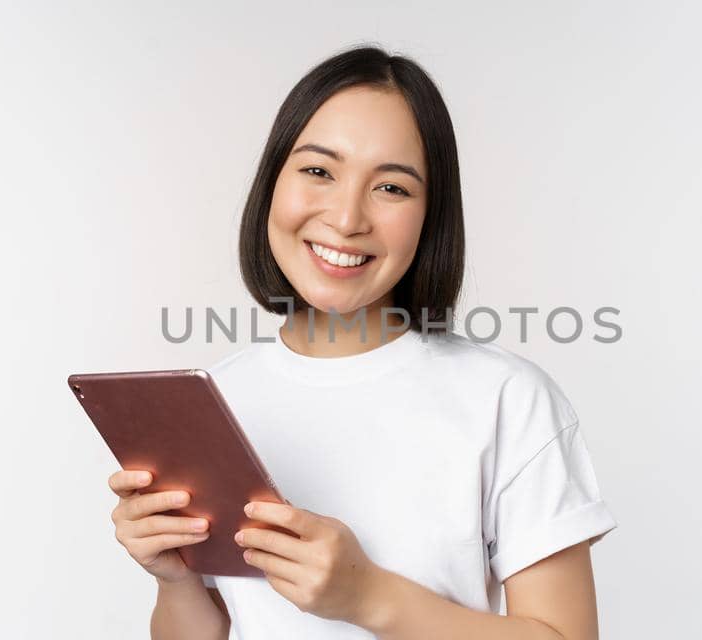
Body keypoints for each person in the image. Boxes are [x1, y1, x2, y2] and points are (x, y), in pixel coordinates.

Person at [106, 45, 617, 639]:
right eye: (318, 170)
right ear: (273, 182)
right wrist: (176, 579)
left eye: (392, 188)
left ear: (431, 216)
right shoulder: (216, 399)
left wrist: (368, 596)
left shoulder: (506, 398)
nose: (347, 218)